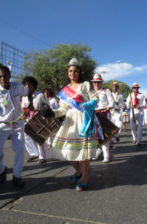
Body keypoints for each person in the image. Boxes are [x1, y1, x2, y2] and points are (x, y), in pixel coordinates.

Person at [50, 58, 99, 192]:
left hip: (84, 119)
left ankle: (85, 179)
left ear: (79, 72)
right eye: (70, 71)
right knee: (67, 150)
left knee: (83, 153)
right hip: (70, 121)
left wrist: (89, 104)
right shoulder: (65, 90)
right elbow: (62, 109)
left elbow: (95, 97)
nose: (73, 73)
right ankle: (78, 172)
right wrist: (52, 113)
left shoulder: (85, 85)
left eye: (75, 71)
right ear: (68, 73)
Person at [0, 66, 32, 187]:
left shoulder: (18, 86)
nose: (2, 78)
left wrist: (30, 106)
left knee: (19, 150)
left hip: (18, 124)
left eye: (5, 75)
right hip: (1, 125)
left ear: (9, 75)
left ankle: (17, 177)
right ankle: (2, 169)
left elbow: (28, 93)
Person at [21, 76, 47, 164]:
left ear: (34, 85)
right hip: (28, 119)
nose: (27, 86)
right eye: (25, 84)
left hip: (39, 119)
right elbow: (24, 108)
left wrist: (40, 112)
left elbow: (47, 106)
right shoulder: (24, 97)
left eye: (29, 84)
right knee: (26, 136)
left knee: (39, 138)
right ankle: (33, 154)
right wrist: (23, 115)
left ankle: (42, 157)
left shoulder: (40, 95)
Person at [91, 73, 115, 162]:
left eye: (98, 82)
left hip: (104, 114)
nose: (96, 84)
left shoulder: (106, 91)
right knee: (94, 135)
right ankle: (96, 152)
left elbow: (112, 102)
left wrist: (108, 107)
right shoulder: (90, 92)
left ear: (101, 83)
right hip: (93, 115)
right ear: (93, 83)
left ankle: (106, 156)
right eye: (95, 82)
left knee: (105, 135)